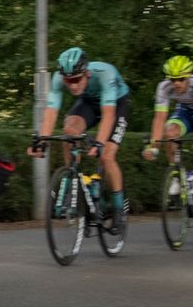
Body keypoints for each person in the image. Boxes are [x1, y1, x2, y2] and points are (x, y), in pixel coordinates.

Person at [28, 47, 130, 232]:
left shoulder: (104, 73)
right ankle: (71, 177)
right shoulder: (58, 78)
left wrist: (99, 143)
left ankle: (118, 208)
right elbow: (51, 113)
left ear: (87, 73)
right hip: (89, 103)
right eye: (69, 81)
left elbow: (108, 114)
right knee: (69, 130)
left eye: (76, 80)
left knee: (107, 155)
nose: (73, 86)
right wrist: (42, 141)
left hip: (116, 104)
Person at [142, 55, 193, 236]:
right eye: (172, 79)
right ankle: (176, 173)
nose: (176, 83)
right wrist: (153, 146)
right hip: (184, 112)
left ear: (190, 75)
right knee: (169, 133)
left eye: (181, 79)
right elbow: (160, 118)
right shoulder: (164, 87)